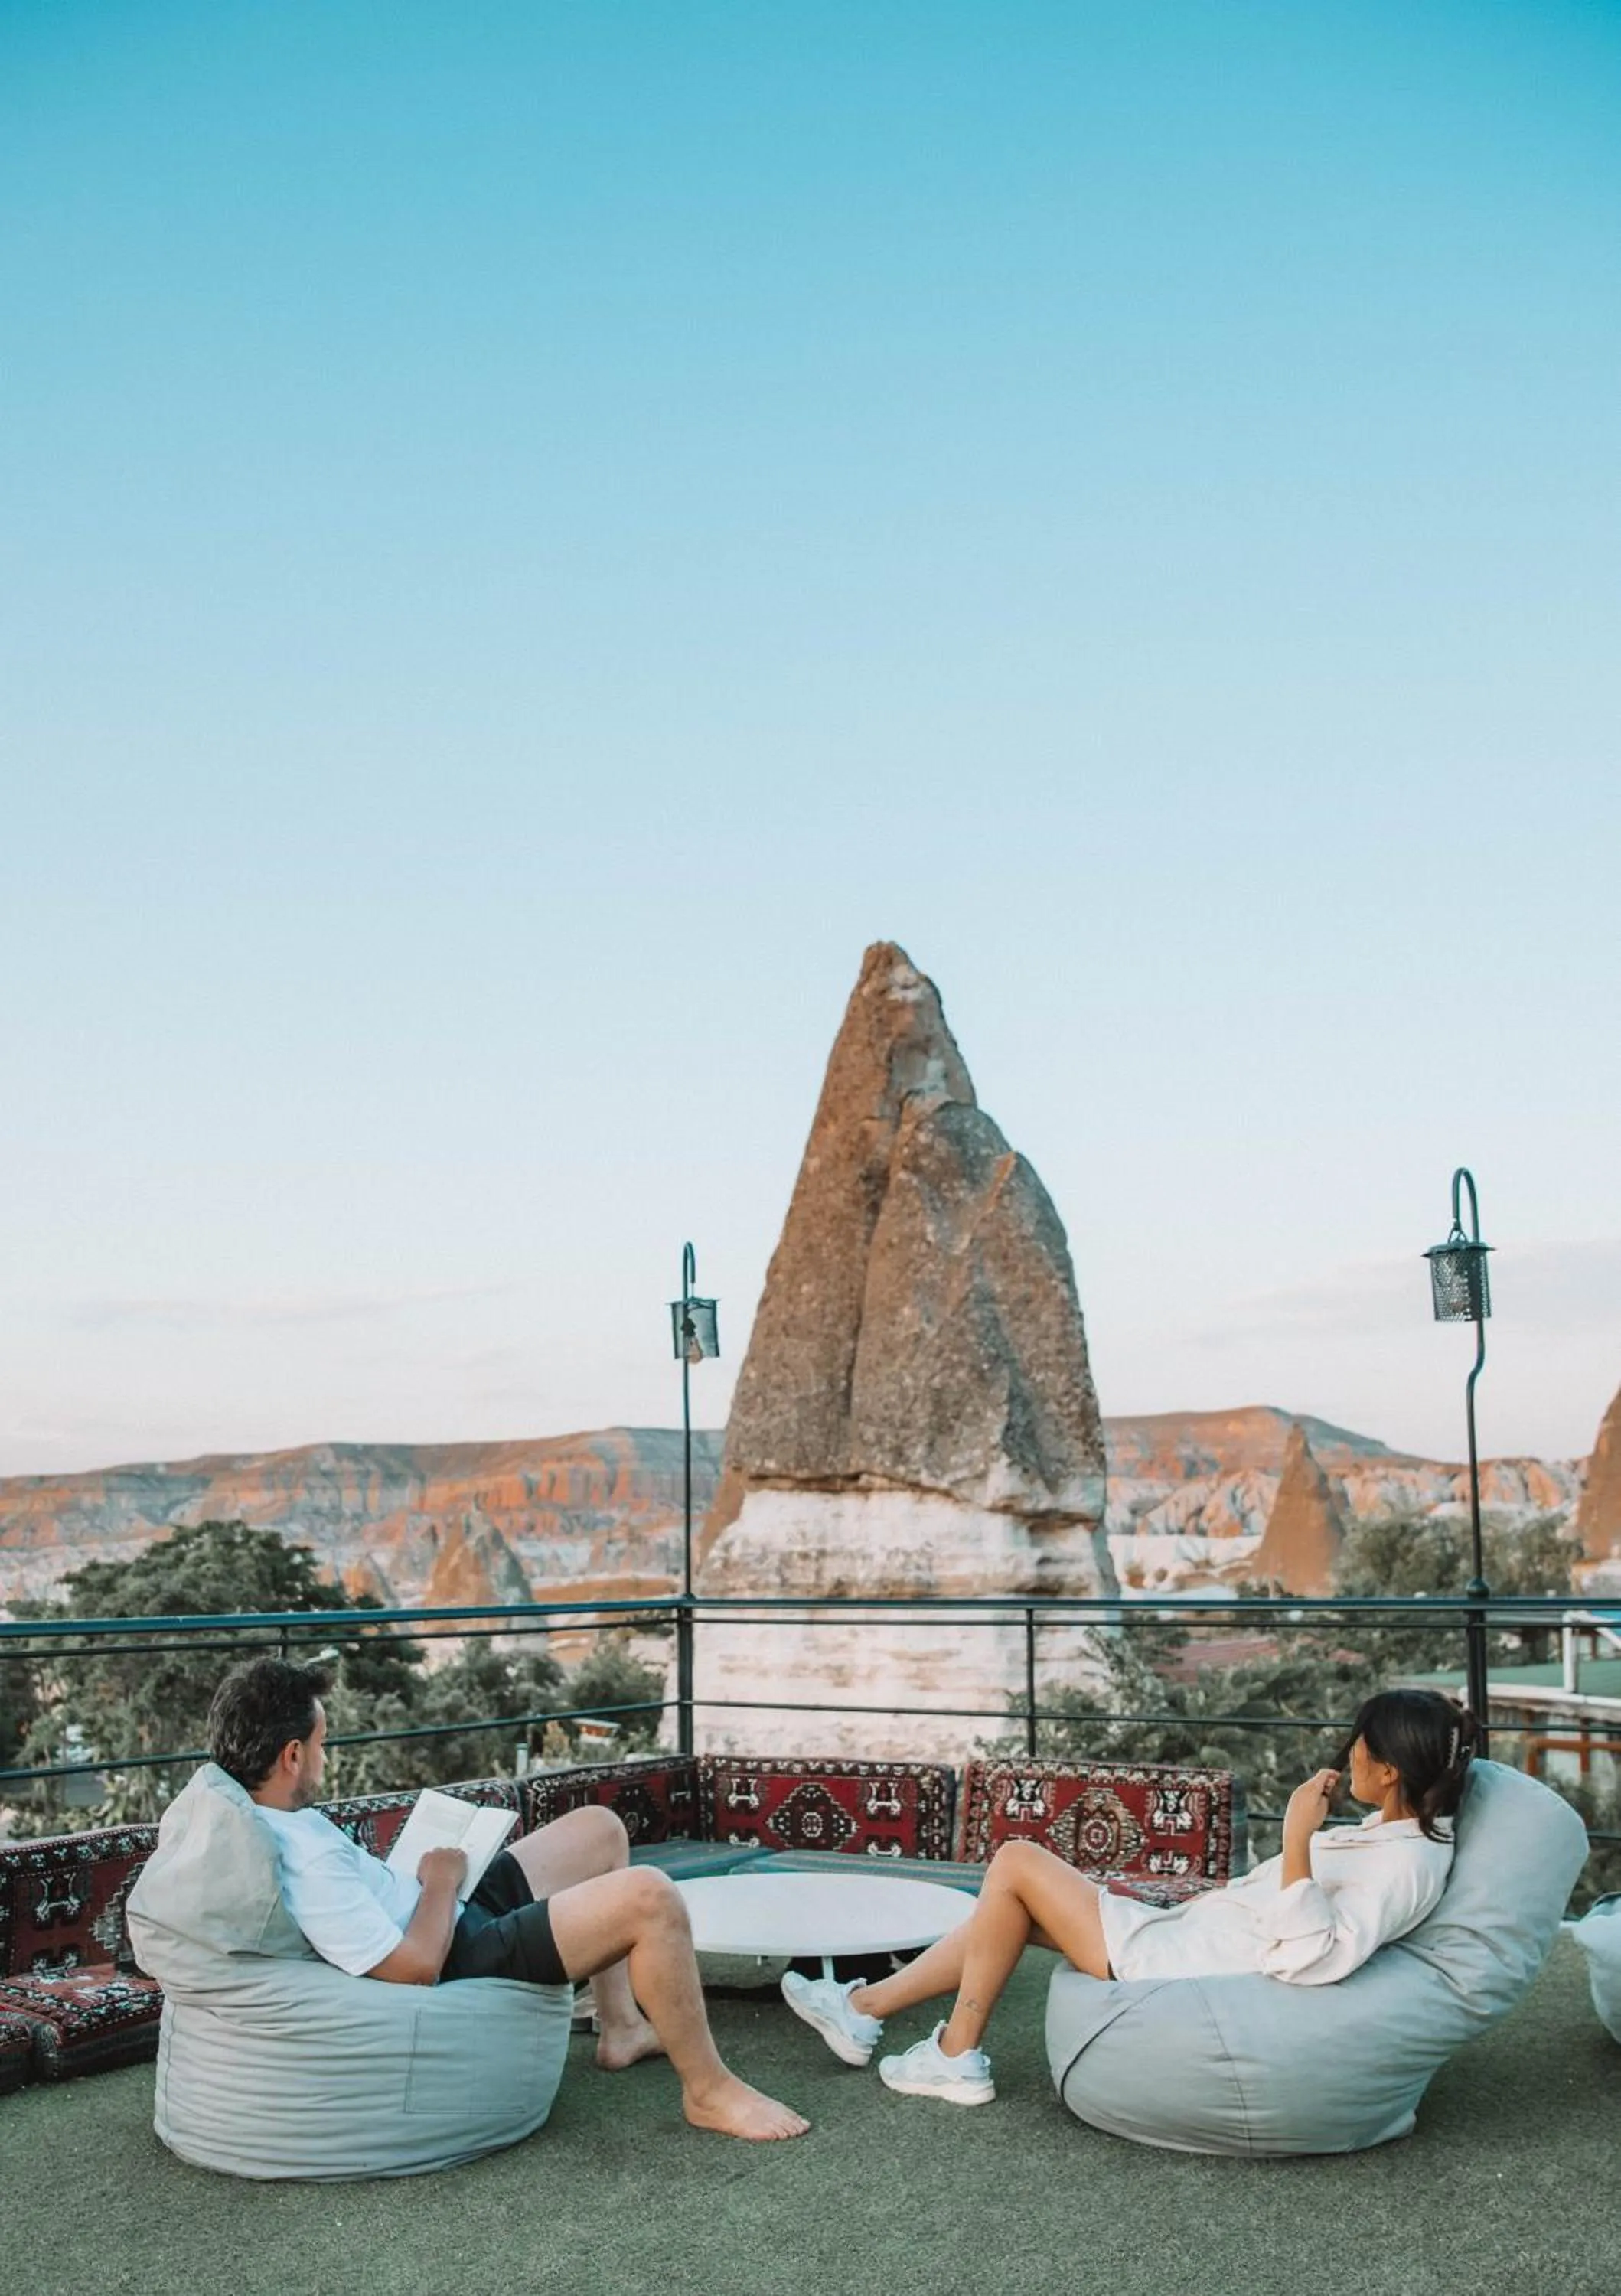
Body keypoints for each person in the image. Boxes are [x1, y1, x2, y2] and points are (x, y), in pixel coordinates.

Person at [782, 1688, 1480, 2108]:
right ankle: (860, 2010)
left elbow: (1311, 1957)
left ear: (1388, 1772)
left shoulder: (1409, 1867)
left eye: (1362, 1746)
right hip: (1185, 1935)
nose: (1349, 1752)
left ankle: (958, 2054)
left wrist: (1298, 1836)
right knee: (1009, 1907)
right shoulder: (1396, 1833)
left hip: (1179, 1965)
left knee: (1017, 1861)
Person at [209, 1656, 807, 2142]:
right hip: (455, 1953)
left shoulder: (278, 1815)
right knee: (651, 1897)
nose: (323, 1757)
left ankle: (622, 2027)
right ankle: (708, 2091)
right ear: (291, 1756)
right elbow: (415, 1969)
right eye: (319, 1744)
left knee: (599, 1829)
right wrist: (441, 1880)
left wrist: (433, 1882)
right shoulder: (302, 1860)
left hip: (442, 1910)